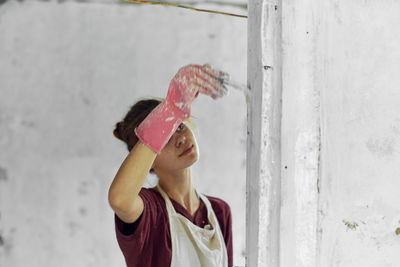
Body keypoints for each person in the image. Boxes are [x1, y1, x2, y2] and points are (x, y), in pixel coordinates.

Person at [108, 64, 233, 267]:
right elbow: (120, 199)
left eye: (180, 126)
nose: (181, 139)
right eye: (165, 137)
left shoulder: (220, 212)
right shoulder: (150, 213)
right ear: (148, 158)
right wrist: (171, 109)